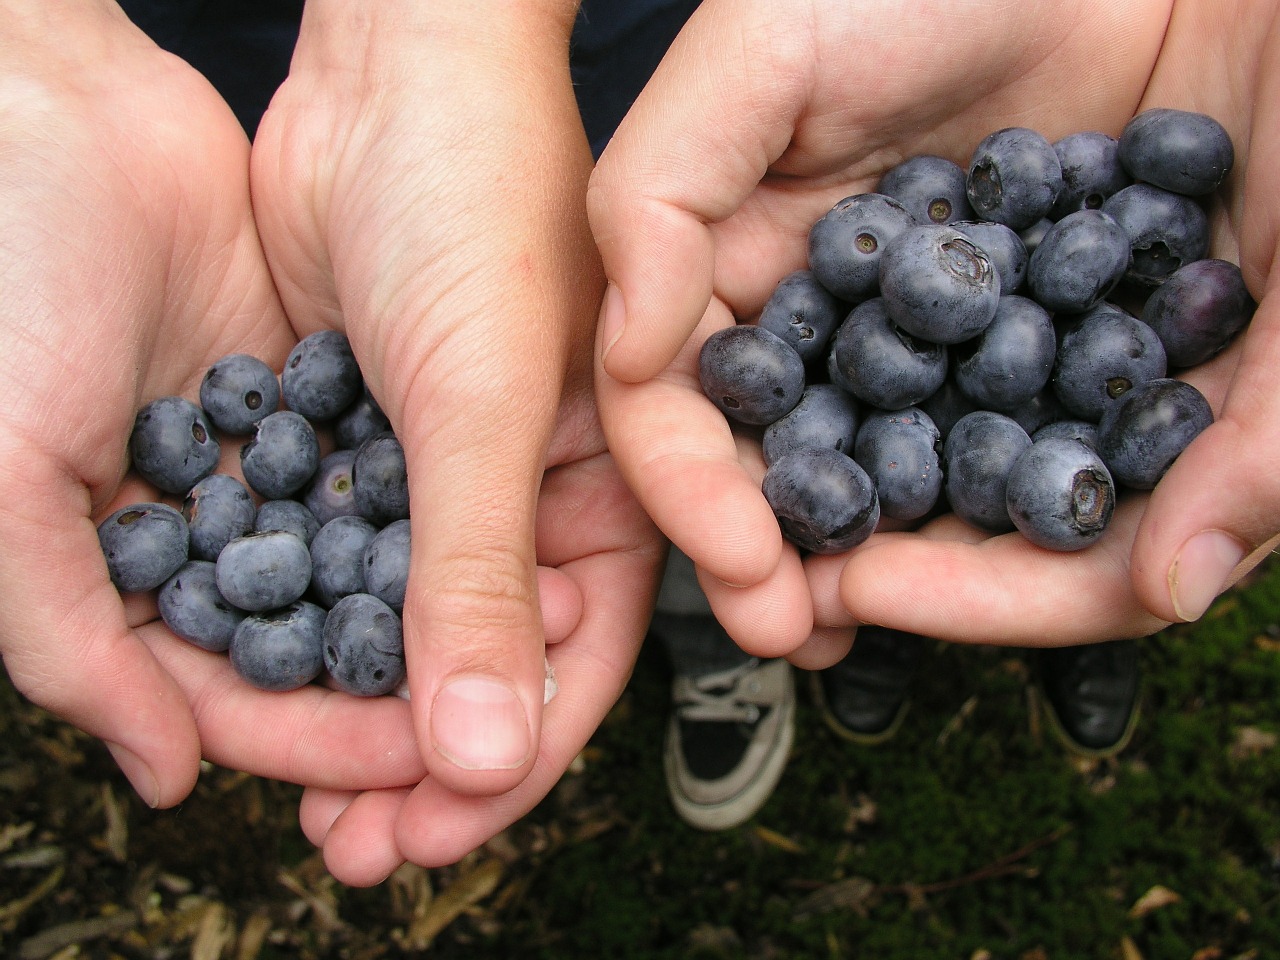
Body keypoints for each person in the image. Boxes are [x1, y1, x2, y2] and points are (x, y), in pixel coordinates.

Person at [0, 0, 668, 889]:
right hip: (193, 91)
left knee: (628, 312)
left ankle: (702, 658)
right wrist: (34, 61)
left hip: (545, 85)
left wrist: (427, 31)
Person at [586, 0, 1276, 825]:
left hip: (1052, 440)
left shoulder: (1074, 270)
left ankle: (1090, 639)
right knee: (889, 533)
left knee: (1120, 540)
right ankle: (892, 630)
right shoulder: (907, 309)